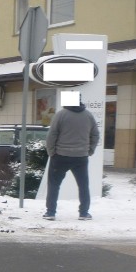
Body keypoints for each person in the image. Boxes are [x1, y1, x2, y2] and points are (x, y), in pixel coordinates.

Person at [43, 92, 100, 221]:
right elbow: (95, 135)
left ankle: (51, 212)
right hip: (81, 157)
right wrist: (89, 150)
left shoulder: (61, 115)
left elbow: (52, 135)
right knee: (83, 185)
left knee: (54, 185)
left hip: (60, 156)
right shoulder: (88, 115)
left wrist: (51, 152)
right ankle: (84, 213)